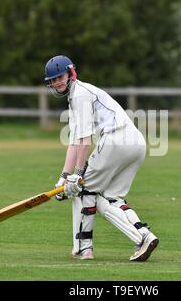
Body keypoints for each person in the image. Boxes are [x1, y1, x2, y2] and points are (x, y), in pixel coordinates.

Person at [44, 55, 159, 261]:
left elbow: (85, 140)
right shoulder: (78, 96)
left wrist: (78, 176)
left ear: (70, 73)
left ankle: (83, 248)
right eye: (52, 80)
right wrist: (64, 177)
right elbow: (74, 141)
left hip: (115, 140)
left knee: (83, 190)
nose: (56, 82)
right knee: (111, 198)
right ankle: (144, 236)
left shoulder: (80, 95)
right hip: (136, 144)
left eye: (59, 77)